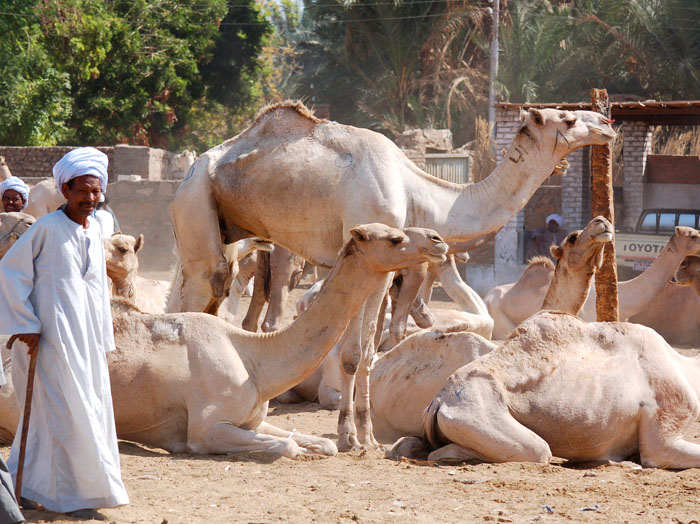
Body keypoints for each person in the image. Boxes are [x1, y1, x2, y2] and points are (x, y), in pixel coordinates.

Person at [0, 147, 129, 520]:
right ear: (66, 189)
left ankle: (25, 487)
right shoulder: (45, 229)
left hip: (85, 345)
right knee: (63, 414)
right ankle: (71, 496)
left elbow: (96, 292)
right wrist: (26, 325)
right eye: (82, 191)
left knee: (71, 413)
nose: (90, 198)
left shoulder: (94, 233)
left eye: (95, 191)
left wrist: (104, 340)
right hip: (49, 342)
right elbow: (10, 275)